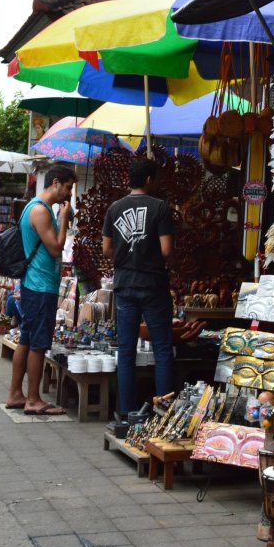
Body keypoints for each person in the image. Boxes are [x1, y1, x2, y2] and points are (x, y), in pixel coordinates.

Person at [102, 159, 177, 419]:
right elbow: (166, 250)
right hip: (153, 285)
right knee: (162, 349)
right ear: (148, 180)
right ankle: (163, 413)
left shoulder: (115, 208)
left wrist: (126, 259)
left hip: (124, 284)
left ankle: (126, 413)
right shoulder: (160, 208)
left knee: (126, 351)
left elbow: (106, 249)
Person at [5, 163, 76, 415]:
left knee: (26, 338)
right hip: (40, 285)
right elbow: (56, 248)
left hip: (35, 284)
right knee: (37, 343)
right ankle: (33, 399)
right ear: (55, 182)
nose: (68, 194)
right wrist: (64, 219)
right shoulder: (40, 210)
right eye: (67, 188)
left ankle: (16, 393)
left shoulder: (35, 207)